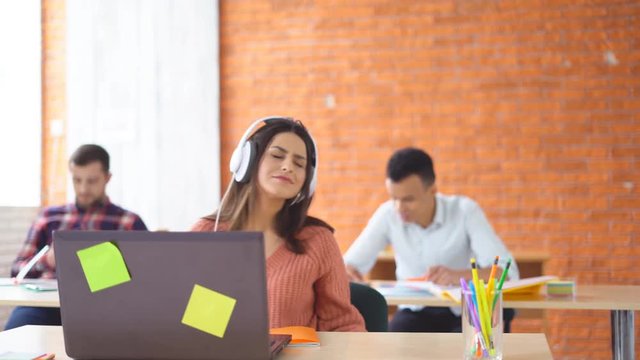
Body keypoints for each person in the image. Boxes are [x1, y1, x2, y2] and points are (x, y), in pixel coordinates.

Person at [191, 117, 365, 331]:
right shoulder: (208, 233)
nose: (287, 167)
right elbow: (200, 328)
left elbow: (343, 325)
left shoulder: (317, 241)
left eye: (299, 163)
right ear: (246, 161)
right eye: (277, 155)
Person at [343, 147, 519, 332]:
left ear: (433, 189)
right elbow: (348, 264)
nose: (399, 207)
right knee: (389, 347)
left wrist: (457, 276)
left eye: (409, 199)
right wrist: (348, 272)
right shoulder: (387, 214)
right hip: (413, 312)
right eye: (394, 198)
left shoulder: (465, 211)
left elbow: (507, 273)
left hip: (463, 313)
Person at [5, 144, 147, 330]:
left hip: (105, 309)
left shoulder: (128, 222)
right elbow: (17, 271)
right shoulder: (49, 217)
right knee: (16, 332)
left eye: (92, 181)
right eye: (77, 180)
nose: (83, 188)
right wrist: (47, 261)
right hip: (45, 306)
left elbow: (146, 280)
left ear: (107, 178)